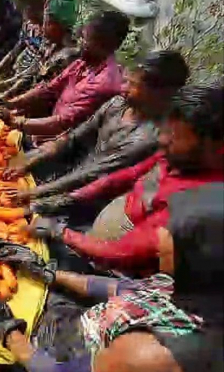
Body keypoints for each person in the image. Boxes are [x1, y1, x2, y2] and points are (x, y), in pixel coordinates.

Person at [0, 182, 224, 372]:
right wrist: (47, 272)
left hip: (59, 357)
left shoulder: (147, 354)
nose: (158, 235)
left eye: (170, 232)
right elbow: (121, 289)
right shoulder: (192, 286)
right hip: (83, 324)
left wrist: (8, 330)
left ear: (197, 253)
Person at [27, 85, 224, 276]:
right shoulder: (180, 156)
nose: (163, 140)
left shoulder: (200, 204)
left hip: (116, 273)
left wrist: (61, 232)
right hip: (94, 238)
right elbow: (127, 175)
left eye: (174, 137)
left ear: (211, 144)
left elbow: (124, 252)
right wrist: (62, 200)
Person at [7, 51, 190, 208]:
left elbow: (95, 173)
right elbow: (73, 138)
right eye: (126, 81)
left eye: (132, 85)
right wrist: (29, 162)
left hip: (92, 201)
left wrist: (35, 193)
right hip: (71, 175)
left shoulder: (151, 137)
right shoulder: (117, 104)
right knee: (9, 163)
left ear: (159, 93)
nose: (121, 88)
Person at [1, 11, 128, 147]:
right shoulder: (85, 62)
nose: (80, 44)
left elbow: (63, 123)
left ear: (104, 45)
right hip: (43, 137)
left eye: (86, 40)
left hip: (61, 149)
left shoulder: (103, 83)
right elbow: (49, 88)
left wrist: (16, 122)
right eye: (82, 38)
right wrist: (13, 103)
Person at [0, 0, 79, 102]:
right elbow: (30, 73)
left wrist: (10, 101)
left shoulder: (68, 58)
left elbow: (44, 91)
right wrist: (1, 89)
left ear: (62, 25)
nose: (44, 27)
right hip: (22, 94)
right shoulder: (49, 43)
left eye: (48, 23)